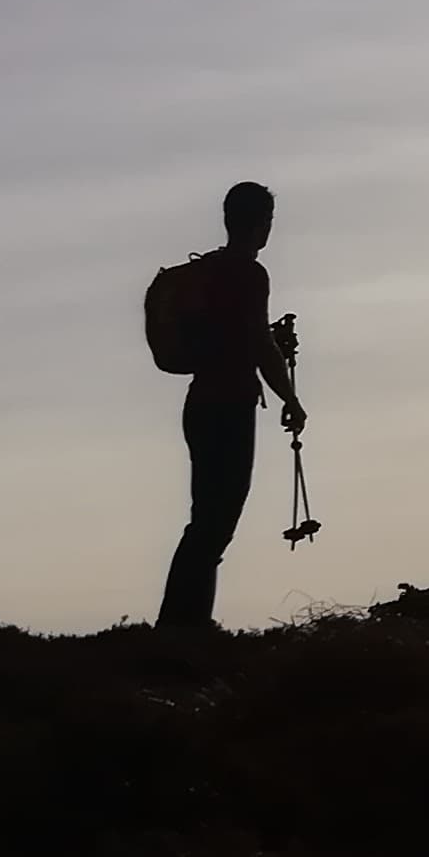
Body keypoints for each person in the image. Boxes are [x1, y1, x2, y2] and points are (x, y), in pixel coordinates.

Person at [161, 180, 306, 631]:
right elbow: (259, 344)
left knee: (206, 518)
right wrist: (290, 398)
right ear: (262, 224)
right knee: (216, 522)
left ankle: (183, 625)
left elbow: (240, 338)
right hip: (231, 406)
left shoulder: (210, 271)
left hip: (201, 403)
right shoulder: (249, 275)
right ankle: (183, 628)